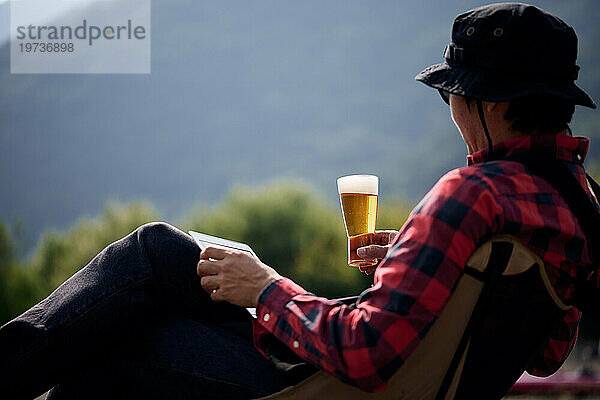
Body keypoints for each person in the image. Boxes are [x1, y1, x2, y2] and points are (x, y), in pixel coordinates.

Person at [1, 2, 598, 399]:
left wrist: (262, 287)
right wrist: (422, 262)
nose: (453, 112)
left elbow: (364, 351)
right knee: (158, 260)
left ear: (491, 104)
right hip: (405, 382)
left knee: (129, 316)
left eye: (454, 96)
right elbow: (544, 354)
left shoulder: (472, 193)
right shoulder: (578, 206)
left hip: (333, 387)